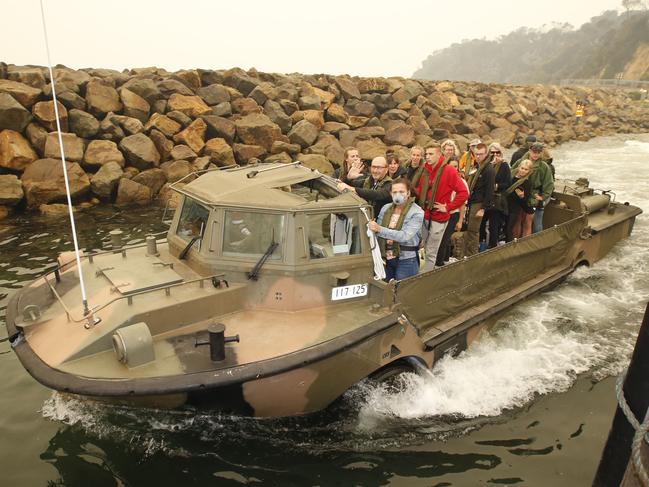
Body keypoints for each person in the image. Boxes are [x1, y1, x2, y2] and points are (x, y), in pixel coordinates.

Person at [415, 145, 469, 271]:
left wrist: (448, 207)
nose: (427, 157)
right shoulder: (425, 170)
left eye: (431, 154)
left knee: (432, 251)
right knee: (421, 246)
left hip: (439, 217)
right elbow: (420, 190)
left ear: (439, 155)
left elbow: (463, 193)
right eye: (426, 154)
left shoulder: (449, 170)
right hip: (424, 214)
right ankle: (419, 272)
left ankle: (425, 278)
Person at [368, 178, 424, 281]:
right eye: (395, 192)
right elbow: (377, 232)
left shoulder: (417, 212)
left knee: (402, 293)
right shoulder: (386, 208)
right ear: (390, 193)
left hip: (406, 259)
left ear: (408, 193)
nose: (398, 195)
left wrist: (379, 229)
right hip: (386, 258)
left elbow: (405, 236)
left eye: (401, 192)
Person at [511, 141, 554, 233]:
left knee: (528, 221)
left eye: (538, 153)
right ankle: (514, 243)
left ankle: (526, 244)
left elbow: (549, 183)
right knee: (517, 220)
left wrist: (543, 196)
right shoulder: (520, 162)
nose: (536, 154)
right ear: (530, 151)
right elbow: (511, 173)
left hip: (532, 195)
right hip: (519, 192)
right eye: (534, 152)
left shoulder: (543, 166)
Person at [435, 158, 468, 266]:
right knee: (444, 238)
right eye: (451, 166)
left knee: (443, 239)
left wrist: (460, 220)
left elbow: (462, 203)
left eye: (456, 166)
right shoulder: (442, 179)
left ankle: (439, 263)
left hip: (453, 213)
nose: (454, 169)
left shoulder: (461, 182)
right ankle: (445, 259)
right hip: (440, 212)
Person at [464, 143, 495, 256]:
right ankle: (467, 252)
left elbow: (490, 191)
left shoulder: (488, 169)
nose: (478, 156)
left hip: (479, 203)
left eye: (481, 154)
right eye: (476, 154)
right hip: (471, 200)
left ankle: (472, 254)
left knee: (473, 230)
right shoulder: (477, 166)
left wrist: (483, 209)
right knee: (468, 229)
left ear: (486, 154)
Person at [480, 142, 511, 249]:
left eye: (497, 152)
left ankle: (493, 245)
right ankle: (481, 243)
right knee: (481, 223)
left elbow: (508, 183)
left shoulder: (504, 165)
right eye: (492, 152)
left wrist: (497, 186)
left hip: (496, 198)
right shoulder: (485, 165)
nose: (495, 155)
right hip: (484, 198)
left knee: (494, 224)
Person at [505, 159, 535, 240]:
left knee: (509, 229)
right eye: (522, 168)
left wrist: (522, 196)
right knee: (503, 227)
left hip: (515, 208)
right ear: (519, 167)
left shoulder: (527, 182)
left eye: (526, 169)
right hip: (504, 205)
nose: (523, 171)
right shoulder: (510, 176)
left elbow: (525, 199)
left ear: (529, 171)